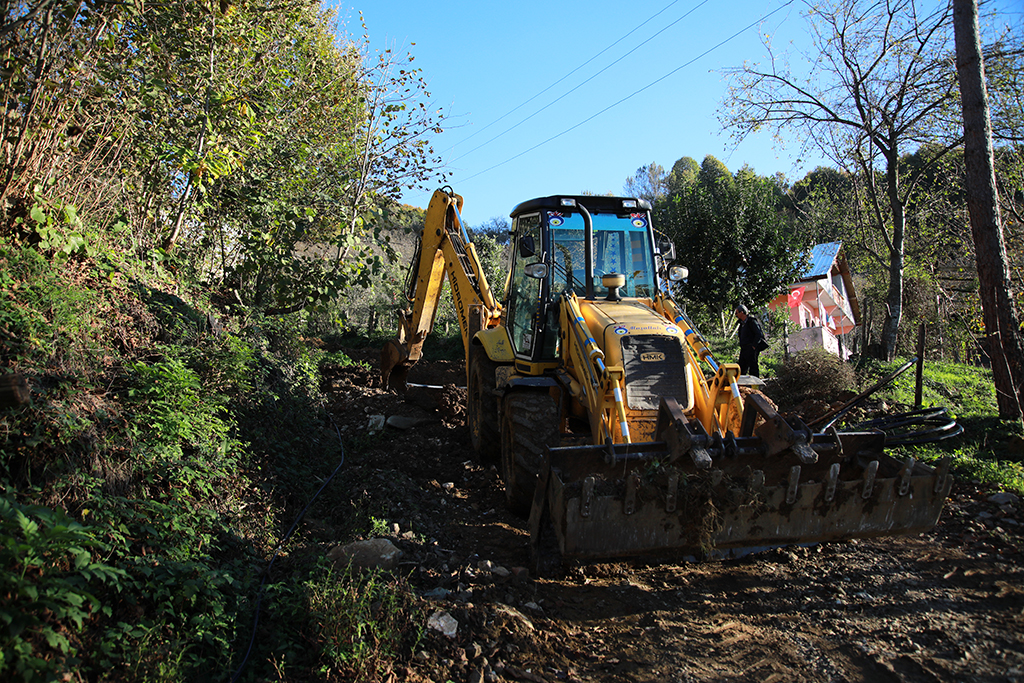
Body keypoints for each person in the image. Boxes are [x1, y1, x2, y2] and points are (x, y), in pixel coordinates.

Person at [735, 304, 765, 377]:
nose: (736, 315)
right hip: (744, 348)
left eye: (737, 313)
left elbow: (758, 334)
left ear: (742, 312)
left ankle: (755, 385)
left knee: (753, 367)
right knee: (742, 367)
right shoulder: (741, 323)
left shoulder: (752, 321)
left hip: (751, 348)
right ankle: (742, 385)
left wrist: (754, 346)